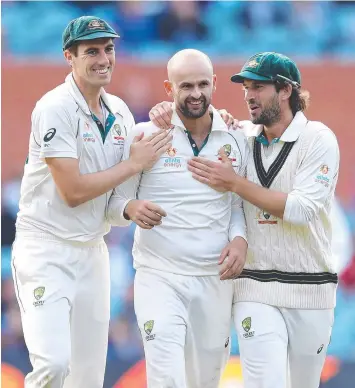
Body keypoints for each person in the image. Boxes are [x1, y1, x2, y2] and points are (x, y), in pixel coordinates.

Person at [11, 15, 173, 388]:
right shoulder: (55, 107)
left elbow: (112, 200)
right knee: (52, 365)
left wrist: (129, 208)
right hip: (46, 249)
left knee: (86, 379)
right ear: (69, 56)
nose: (103, 58)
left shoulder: (118, 113)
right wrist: (133, 163)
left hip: (92, 252)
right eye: (92, 51)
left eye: (108, 49)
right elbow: (73, 192)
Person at [187, 52, 340, 388]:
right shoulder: (240, 135)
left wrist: (235, 183)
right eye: (245, 87)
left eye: (257, 87)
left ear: (285, 90)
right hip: (254, 285)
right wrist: (164, 110)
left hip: (310, 287)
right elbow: (194, 119)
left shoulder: (318, 139)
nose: (248, 95)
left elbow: (301, 210)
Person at [107, 49, 249, 388]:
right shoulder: (146, 134)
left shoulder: (237, 136)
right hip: (159, 276)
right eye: (186, 86)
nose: (196, 93)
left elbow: (238, 205)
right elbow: (114, 198)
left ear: (214, 83)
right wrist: (131, 209)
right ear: (169, 89)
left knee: (205, 380)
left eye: (203, 84)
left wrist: (241, 239)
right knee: (166, 375)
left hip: (213, 278)